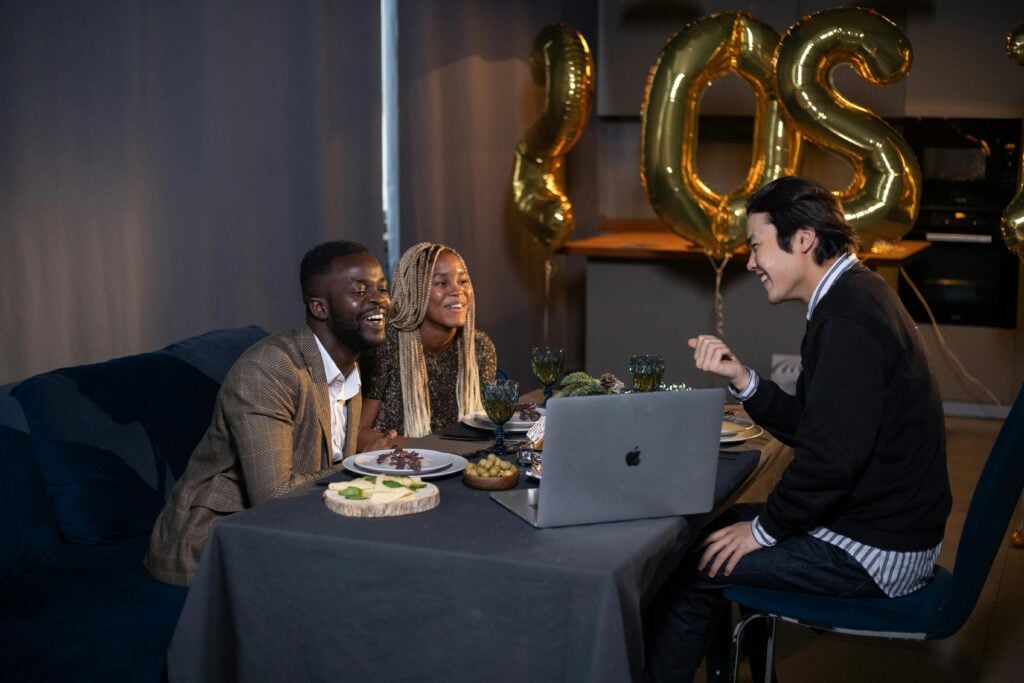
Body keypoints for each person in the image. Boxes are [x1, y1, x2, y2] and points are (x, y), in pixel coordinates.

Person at [645, 176, 952, 681]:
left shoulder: (847, 318)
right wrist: (743, 380)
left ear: (804, 239)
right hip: (878, 525)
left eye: (756, 246)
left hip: (878, 550)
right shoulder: (853, 294)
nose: (750, 263)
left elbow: (829, 463)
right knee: (713, 529)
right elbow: (819, 430)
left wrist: (763, 532)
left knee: (695, 563)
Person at [145, 240, 395, 586]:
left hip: (304, 523)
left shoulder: (350, 364)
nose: (379, 299)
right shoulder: (270, 369)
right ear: (319, 307)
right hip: (219, 535)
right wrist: (363, 464)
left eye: (382, 288)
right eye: (359, 290)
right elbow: (274, 496)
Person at [358, 242, 497, 444]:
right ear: (413, 291)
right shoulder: (384, 346)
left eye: (463, 281)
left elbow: (487, 424)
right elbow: (357, 435)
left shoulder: (479, 346)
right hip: (398, 462)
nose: (457, 291)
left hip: (462, 458)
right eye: (441, 283)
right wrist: (427, 450)